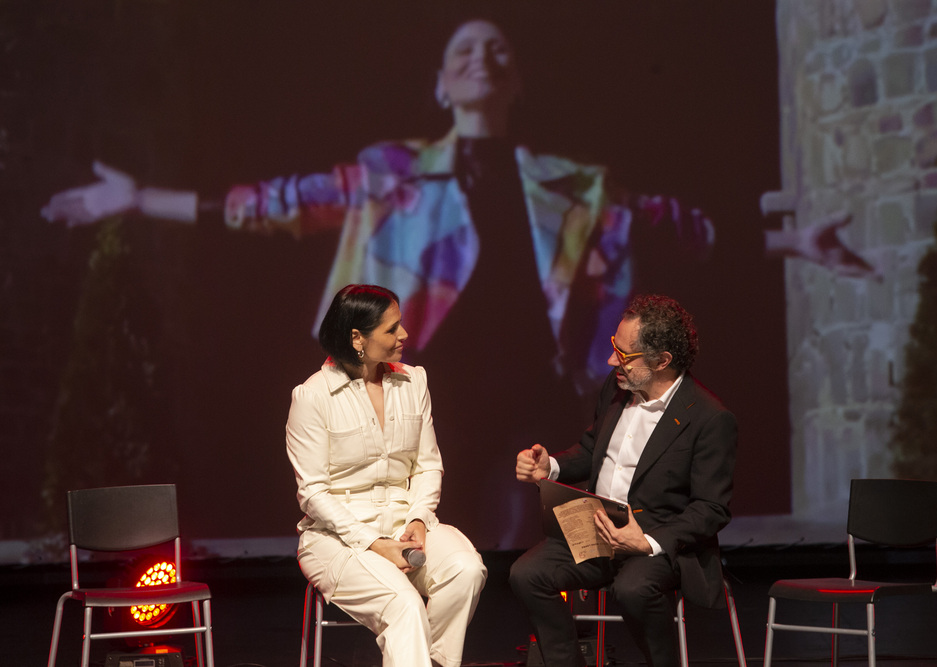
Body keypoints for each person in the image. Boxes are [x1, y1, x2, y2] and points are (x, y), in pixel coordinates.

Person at [39, 17, 865, 549]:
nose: (482, 54)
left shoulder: (574, 184)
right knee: (419, 530)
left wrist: (791, 241)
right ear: (441, 83)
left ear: (516, 81)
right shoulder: (389, 174)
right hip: (418, 377)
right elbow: (272, 202)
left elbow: (671, 226)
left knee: (522, 530)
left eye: (497, 47)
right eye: (462, 47)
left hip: (527, 374)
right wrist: (140, 198)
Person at [508, 294, 737, 667]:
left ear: (662, 361)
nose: (612, 360)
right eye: (614, 346)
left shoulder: (710, 419)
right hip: (597, 531)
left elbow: (711, 509)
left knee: (633, 589)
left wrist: (647, 542)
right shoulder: (617, 388)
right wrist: (548, 466)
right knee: (527, 573)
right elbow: (590, 450)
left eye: (625, 354)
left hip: (656, 542)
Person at [285, 283, 487, 667]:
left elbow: (427, 465)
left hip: (405, 522)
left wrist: (418, 520)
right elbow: (313, 493)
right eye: (392, 329)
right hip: (338, 539)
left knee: (466, 570)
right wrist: (373, 542)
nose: (405, 336)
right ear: (357, 338)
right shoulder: (312, 396)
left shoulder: (413, 381)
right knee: (404, 606)